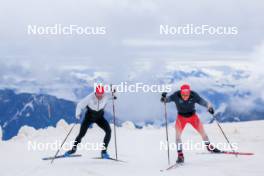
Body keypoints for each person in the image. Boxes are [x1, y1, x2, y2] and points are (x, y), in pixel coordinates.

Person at [161, 84, 221, 164]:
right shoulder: (176, 95)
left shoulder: (193, 95)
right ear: (181, 93)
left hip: (193, 117)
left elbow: (202, 102)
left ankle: (209, 147)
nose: (185, 96)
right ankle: (180, 155)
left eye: (187, 95)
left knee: (203, 133)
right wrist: (163, 98)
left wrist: (209, 107)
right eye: (183, 95)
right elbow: (165, 100)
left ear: (189, 93)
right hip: (181, 118)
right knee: (178, 136)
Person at [65, 85, 116, 159]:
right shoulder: (90, 97)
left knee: (109, 131)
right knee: (81, 134)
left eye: (101, 94)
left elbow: (115, 96)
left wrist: (114, 91)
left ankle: (104, 152)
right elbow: (80, 105)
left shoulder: (106, 96)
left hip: (99, 117)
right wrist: (78, 114)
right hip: (89, 117)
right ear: (95, 92)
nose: (100, 96)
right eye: (98, 94)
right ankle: (73, 150)